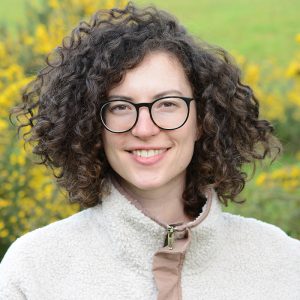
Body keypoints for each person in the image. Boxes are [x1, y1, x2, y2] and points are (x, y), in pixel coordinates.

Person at [0, 3, 299, 300]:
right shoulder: (34, 270)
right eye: (120, 107)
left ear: (202, 120)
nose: (144, 129)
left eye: (168, 104)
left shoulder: (284, 263)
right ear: (93, 126)